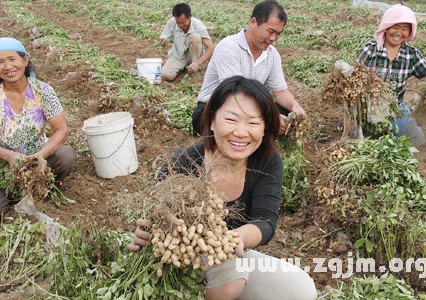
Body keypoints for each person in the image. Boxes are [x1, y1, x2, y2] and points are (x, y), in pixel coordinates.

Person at [128, 76, 317, 300]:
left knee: (300, 288)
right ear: (212, 120)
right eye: (231, 119)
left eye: (253, 122)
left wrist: (234, 238)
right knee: (232, 273)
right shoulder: (183, 162)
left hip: (230, 252)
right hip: (179, 258)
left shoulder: (266, 162)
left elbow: (265, 222)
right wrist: (147, 231)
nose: (241, 132)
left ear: (266, 128)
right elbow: (154, 215)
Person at [0, 37, 77, 223]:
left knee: (66, 156)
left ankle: (38, 186)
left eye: (12, 59)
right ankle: (15, 193)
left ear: (25, 60)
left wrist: (40, 156)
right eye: (0, 62)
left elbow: (61, 130)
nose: (8, 66)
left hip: (36, 155)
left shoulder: (43, 91)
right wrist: (10, 157)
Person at [192, 0, 305, 136]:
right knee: (255, 118)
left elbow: (280, 92)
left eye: (278, 34)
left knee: (288, 114)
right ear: (253, 22)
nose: (273, 38)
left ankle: (261, 129)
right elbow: (235, 95)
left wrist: (295, 107)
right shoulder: (229, 47)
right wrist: (271, 118)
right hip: (214, 108)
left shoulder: (272, 54)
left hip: (248, 107)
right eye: (270, 31)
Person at [355, 4, 426, 146]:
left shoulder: (411, 54)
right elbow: (352, 79)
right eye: (395, 27)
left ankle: (399, 122)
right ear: (386, 27)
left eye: (405, 29)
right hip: (369, 108)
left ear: (410, 32)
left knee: (417, 139)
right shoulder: (370, 50)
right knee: (360, 142)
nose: (399, 33)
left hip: (395, 108)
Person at [160, 3, 215, 81]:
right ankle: (182, 67)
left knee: (194, 36)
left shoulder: (198, 25)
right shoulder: (172, 22)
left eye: (183, 23)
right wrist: (163, 41)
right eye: (178, 23)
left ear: (190, 17)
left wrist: (197, 63)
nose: (181, 25)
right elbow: (164, 37)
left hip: (194, 56)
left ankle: (194, 68)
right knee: (166, 75)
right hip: (178, 55)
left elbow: (211, 47)